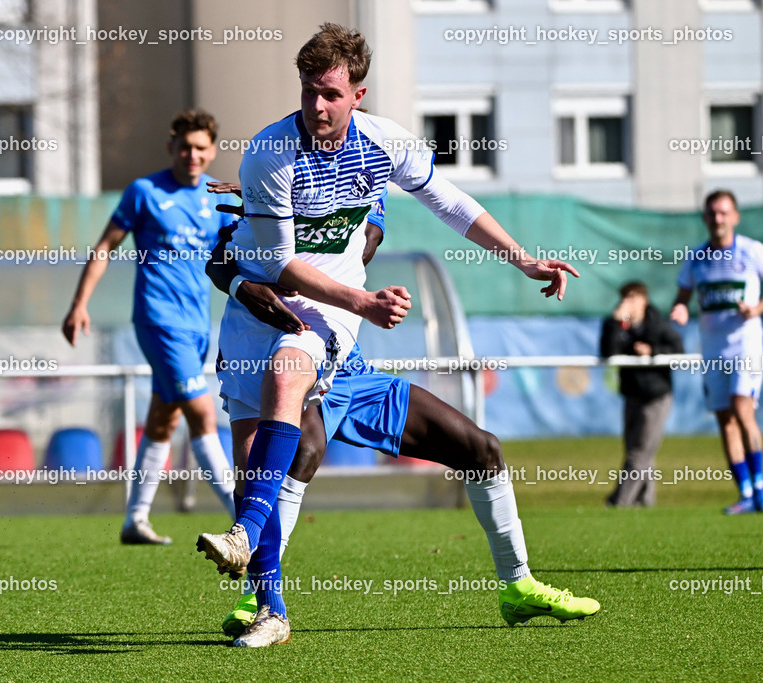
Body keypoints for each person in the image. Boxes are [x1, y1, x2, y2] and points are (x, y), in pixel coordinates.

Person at [196, 21, 586, 644]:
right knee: (285, 453)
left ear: (359, 94)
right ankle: (263, 600)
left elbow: (453, 203)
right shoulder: (270, 153)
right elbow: (275, 266)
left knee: (471, 445)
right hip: (263, 323)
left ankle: (516, 583)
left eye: (330, 93)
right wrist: (364, 299)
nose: (317, 105)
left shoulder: (382, 146)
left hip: (326, 320)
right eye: (308, 91)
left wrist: (525, 259)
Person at [205, 186, 599, 645]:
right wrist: (272, 210)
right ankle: (261, 598)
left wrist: (305, 217)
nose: (322, 115)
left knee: (482, 449)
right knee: (298, 452)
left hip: (349, 365)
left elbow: (366, 244)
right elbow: (222, 256)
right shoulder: (284, 170)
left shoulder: (367, 177)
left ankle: (518, 585)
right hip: (297, 352)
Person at [62, 109, 236, 545]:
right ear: (171, 146)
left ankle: (134, 520)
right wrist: (79, 303)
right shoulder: (144, 192)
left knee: (164, 418)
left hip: (198, 325)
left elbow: (240, 254)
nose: (191, 155)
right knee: (201, 412)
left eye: (200, 148)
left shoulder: (216, 200)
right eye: (184, 146)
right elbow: (105, 246)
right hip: (158, 320)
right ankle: (249, 522)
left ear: (212, 151)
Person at [671, 190, 763, 515]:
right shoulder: (696, 258)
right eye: (712, 213)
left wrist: (756, 309)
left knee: (742, 409)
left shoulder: (753, 252)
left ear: (735, 216)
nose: (718, 219)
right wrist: (680, 309)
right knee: (725, 419)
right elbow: (681, 297)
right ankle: (747, 493)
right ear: (705, 218)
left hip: (746, 345)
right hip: (712, 349)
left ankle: (761, 487)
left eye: (724, 212)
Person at [600, 281, 683, 507]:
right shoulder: (620, 326)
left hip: (656, 396)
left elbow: (678, 351)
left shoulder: (657, 324)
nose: (629, 303)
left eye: (633, 298)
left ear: (644, 300)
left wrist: (652, 351)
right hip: (632, 395)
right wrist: (615, 322)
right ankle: (645, 501)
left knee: (640, 453)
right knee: (637, 452)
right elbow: (607, 352)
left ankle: (619, 502)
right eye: (626, 298)